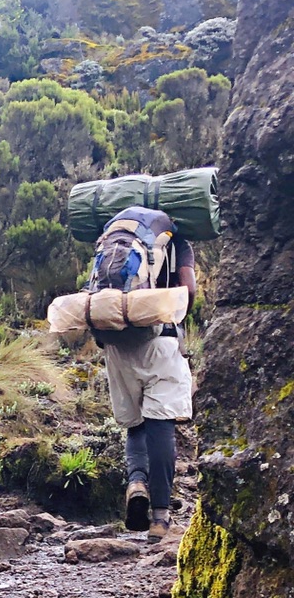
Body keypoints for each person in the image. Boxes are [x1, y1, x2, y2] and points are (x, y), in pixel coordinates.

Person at [99, 207, 196, 543]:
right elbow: (189, 290)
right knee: (161, 424)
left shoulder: (112, 234)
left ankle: (136, 481)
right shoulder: (175, 239)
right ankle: (160, 517)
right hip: (160, 341)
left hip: (116, 344)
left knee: (135, 423)